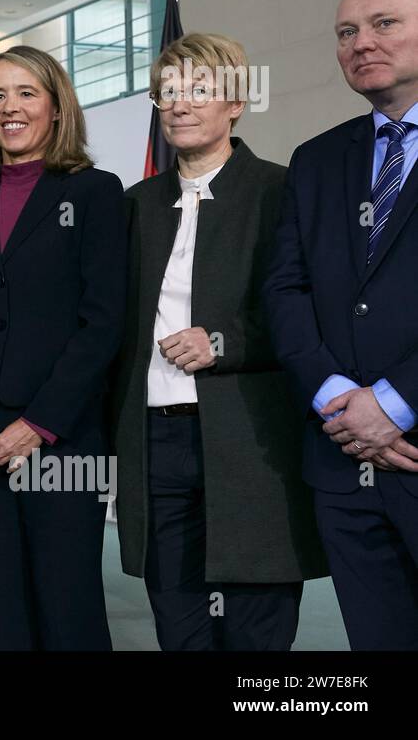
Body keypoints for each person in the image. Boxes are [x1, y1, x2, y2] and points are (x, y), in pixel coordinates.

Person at [110, 33, 327, 651]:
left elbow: (309, 311)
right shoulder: (135, 205)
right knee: (180, 629)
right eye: (167, 92)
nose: (179, 104)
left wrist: (224, 342)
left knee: (255, 634)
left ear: (236, 103)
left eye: (198, 90)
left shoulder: (280, 191)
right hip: (156, 443)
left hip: (251, 441)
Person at [0, 45, 125, 650]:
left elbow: (103, 324)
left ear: (57, 108)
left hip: (61, 437)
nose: (10, 108)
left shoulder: (96, 192)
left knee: (68, 607)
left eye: (27, 93)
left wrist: (39, 425)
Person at [266, 0, 418, 649]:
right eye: (346, 33)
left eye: (384, 24)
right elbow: (283, 291)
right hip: (341, 462)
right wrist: (336, 397)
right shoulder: (317, 159)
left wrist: (393, 402)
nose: (361, 43)